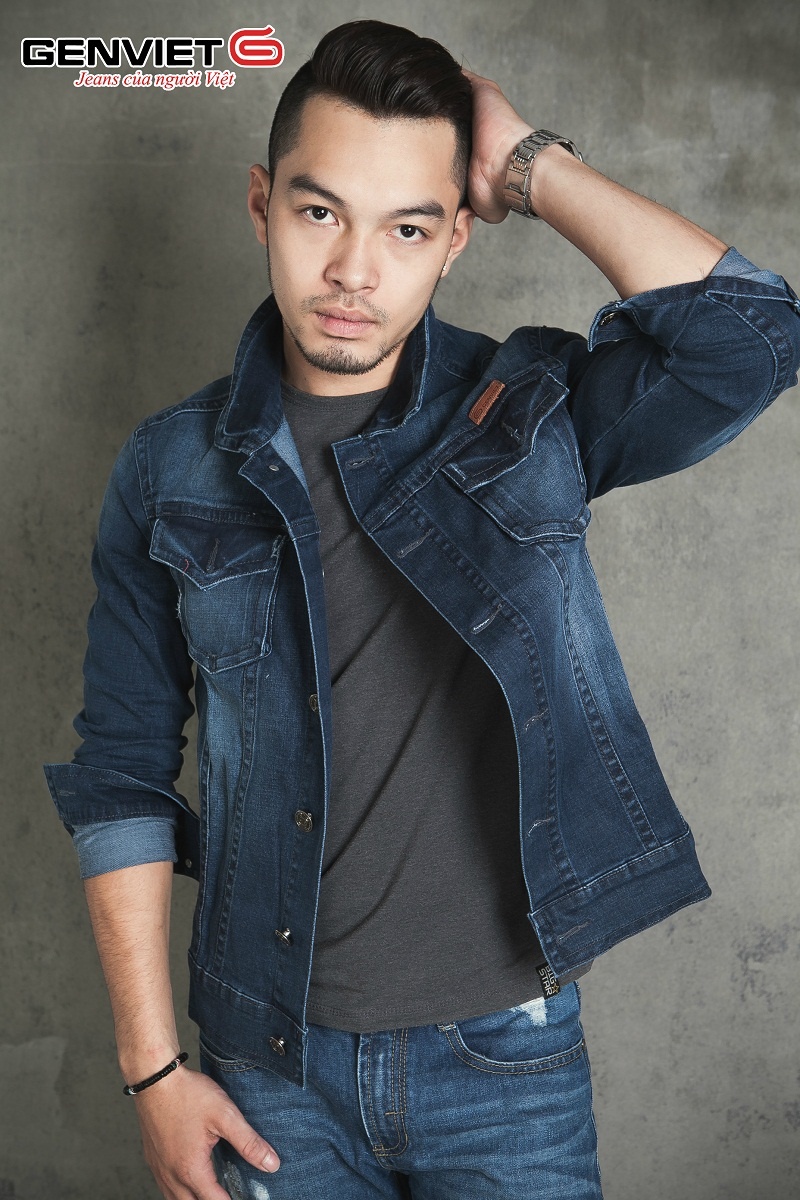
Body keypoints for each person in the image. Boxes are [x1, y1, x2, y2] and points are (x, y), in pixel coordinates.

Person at [45, 18, 800, 1200]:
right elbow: (122, 776)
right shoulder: (167, 469)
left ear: (454, 239)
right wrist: (152, 1073)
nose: (354, 271)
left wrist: (527, 164)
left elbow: (747, 340)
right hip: (266, 1069)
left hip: (503, 1064)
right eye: (319, 212)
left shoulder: (528, 410)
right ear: (260, 205)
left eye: (406, 227)